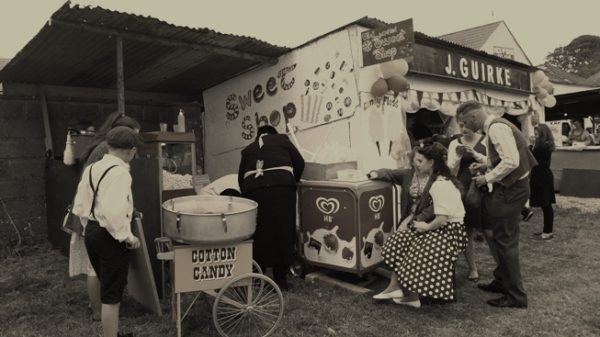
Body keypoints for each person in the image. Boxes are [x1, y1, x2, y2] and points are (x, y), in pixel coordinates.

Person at [456, 101, 537, 309]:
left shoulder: (496, 128)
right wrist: (485, 164)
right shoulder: (496, 126)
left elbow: (511, 161)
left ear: (473, 117)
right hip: (513, 189)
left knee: (504, 242)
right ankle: (502, 282)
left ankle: (515, 296)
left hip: (511, 191)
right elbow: (505, 158)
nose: (464, 128)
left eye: (464, 123)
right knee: (501, 238)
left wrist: (487, 177)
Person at [369, 142, 467, 308]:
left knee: (412, 244)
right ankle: (399, 290)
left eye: (421, 161)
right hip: (441, 227)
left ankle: (405, 292)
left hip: (449, 231)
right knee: (400, 238)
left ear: (432, 163)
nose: (416, 164)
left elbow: (441, 218)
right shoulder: (436, 179)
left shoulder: (439, 183)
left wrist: (424, 226)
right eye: (415, 160)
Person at [69, 112, 141, 321]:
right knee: (111, 297)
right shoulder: (120, 172)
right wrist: (127, 236)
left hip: (91, 228)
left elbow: (82, 202)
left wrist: (87, 223)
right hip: (108, 233)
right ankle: (102, 318)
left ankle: (102, 317)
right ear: (130, 150)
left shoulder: (93, 167)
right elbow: (112, 210)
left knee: (100, 276)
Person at [237, 125, 305, 290]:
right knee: (282, 230)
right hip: (282, 188)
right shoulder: (282, 139)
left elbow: (240, 178)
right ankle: (280, 279)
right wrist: (291, 181)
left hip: (253, 190)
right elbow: (300, 162)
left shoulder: (248, 150)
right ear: (274, 133)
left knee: (259, 232)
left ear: (258, 136)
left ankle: (257, 277)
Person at [447, 123, 487, 282]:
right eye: (461, 125)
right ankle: (473, 268)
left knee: (489, 230)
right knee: (465, 230)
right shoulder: (454, 143)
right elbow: (450, 170)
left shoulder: (486, 140)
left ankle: (502, 269)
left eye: (467, 124)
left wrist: (474, 153)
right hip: (462, 189)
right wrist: (457, 156)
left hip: (484, 186)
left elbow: (494, 162)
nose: (464, 128)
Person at [529, 124, 556, 240]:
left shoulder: (542, 146)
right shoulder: (545, 145)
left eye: (536, 134)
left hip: (542, 177)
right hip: (543, 176)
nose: (535, 136)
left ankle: (547, 232)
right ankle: (547, 230)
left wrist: (531, 145)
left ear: (542, 134)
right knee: (546, 205)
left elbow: (531, 157)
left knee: (546, 205)